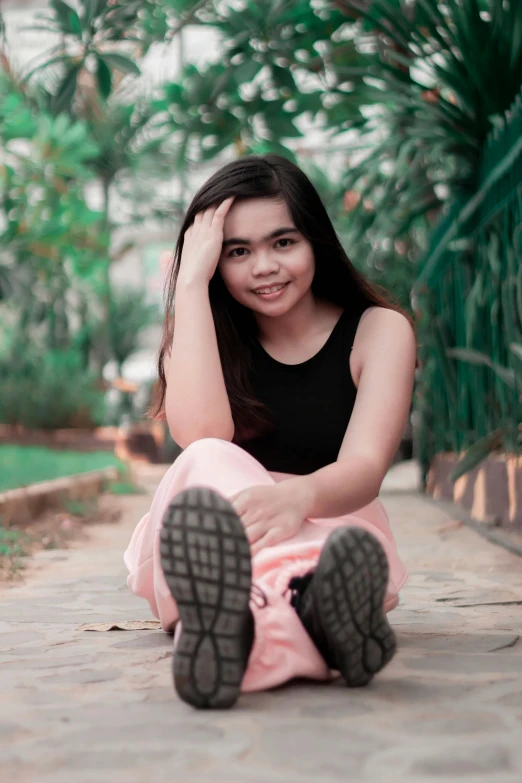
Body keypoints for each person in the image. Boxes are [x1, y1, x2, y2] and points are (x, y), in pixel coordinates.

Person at [124, 154, 417, 710]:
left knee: (327, 555)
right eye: (238, 252)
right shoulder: (200, 333)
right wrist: (188, 285)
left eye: (283, 242)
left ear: (316, 241)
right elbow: (204, 434)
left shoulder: (380, 332)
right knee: (212, 457)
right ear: (214, 263)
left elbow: (366, 468)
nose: (263, 267)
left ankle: (240, 631)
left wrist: (297, 497)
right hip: (224, 530)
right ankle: (312, 620)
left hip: (330, 524)